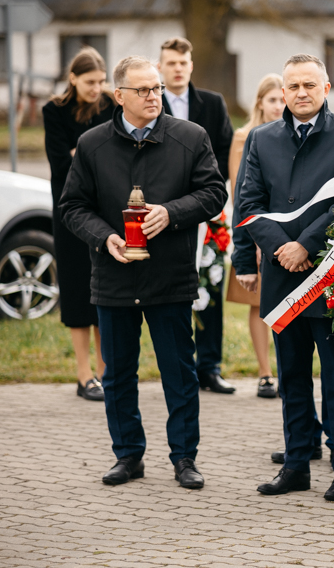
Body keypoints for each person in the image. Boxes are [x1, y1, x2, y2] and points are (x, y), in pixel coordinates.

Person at [60, 55, 228, 489]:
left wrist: (170, 213)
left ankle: (185, 459)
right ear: (119, 96)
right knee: (118, 374)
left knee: (179, 372)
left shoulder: (191, 137)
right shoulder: (93, 144)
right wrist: (104, 237)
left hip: (169, 277)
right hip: (113, 276)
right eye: (143, 90)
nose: (154, 96)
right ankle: (128, 456)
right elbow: (72, 207)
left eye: (156, 88)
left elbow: (214, 193)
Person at [240, 54, 334, 502]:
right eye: (293, 86)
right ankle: (296, 464)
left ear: (326, 87)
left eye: (309, 85)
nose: (300, 93)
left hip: (330, 275)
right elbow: (249, 204)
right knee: (292, 376)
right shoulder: (262, 138)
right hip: (281, 276)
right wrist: (281, 247)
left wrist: (306, 246)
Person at [158, 37, 236, 395]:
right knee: (170, 288)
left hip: (207, 208)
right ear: (161, 66)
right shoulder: (150, 101)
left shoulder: (212, 103)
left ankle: (210, 366)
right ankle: (177, 366)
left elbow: (223, 151)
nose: (177, 68)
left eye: (182, 62)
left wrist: (203, 187)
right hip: (163, 209)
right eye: (170, 62)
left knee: (211, 285)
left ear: (190, 65)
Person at [43, 47, 114, 402]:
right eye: (90, 82)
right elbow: (60, 163)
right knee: (76, 291)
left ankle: (106, 373)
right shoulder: (54, 111)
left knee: (104, 290)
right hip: (70, 213)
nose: (96, 88)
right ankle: (83, 374)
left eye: (101, 81)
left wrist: (81, 153)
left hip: (106, 212)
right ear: (73, 78)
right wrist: (93, 155)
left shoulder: (111, 106)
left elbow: (117, 156)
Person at [229, 73, 284, 399]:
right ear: (260, 102)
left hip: (281, 232)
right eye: (272, 100)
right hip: (252, 230)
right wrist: (254, 242)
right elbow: (241, 192)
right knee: (257, 303)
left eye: (281, 99)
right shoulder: (244, 136)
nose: (278, 106)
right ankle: (264, 372)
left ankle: (282, 368)